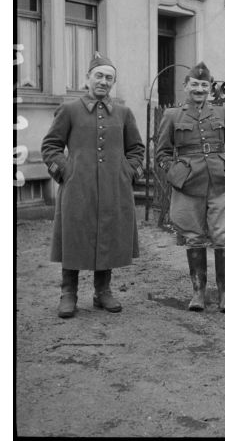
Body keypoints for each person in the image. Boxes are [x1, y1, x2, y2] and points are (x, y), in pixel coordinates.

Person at [41, 52, 145, 318]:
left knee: (107, 234)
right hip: (78, 188)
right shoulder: (69, 110)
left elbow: (136, 149)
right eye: (98, 75)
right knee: (73, 235)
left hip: (113, 187)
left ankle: (102, 292)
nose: (103, 81)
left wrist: (127, 171)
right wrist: (66, 172)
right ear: (87, 79)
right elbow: (50, 146)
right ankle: (68, 293)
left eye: (109, 78)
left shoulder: (123, 113)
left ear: (113, 83)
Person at [156, 62, 225, 313]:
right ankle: (198, 293)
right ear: (186, 86)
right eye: (194, 84)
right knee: (193, 237)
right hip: (189, 183)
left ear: (210, 88)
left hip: (220, 181)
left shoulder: (220, 112)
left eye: (204, 85)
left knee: (223, 236)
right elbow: (162, 152)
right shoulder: (173, 115)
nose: (199, 89)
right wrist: (175, 174)